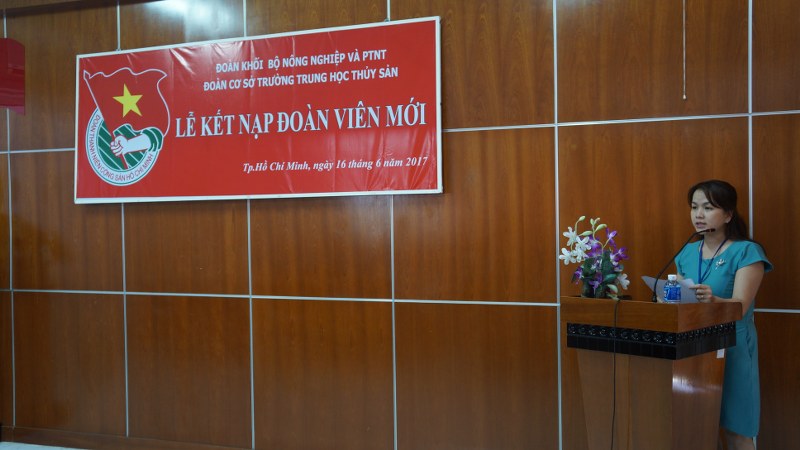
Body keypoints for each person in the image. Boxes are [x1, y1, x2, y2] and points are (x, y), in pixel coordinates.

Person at [674, 180, 772, 450]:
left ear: (728, 214)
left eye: (708, 208)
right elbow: (682, 301)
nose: (698, 215)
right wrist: (668, 298)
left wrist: (714, 300)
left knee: (737, 430)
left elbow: (740, 306)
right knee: (701, 426)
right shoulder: (686, 252)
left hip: (733, 345)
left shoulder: (746, 251)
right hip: (694, 347)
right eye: (694, 207)